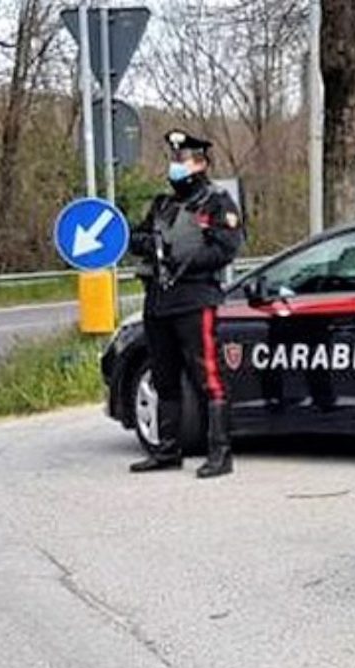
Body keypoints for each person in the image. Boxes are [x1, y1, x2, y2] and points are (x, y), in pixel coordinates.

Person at [127, 129, 244, 478]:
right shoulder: (163, 204)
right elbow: (139, 235)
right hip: (159, 302)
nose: (177, 165)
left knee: (207, 376)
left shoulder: (216, 202)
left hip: (195, 299)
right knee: (164, 378)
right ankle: (167, 450)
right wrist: (146, 244)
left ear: (202, 163)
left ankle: (220, 454)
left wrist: (184, 258)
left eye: (184, 159)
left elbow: (225, 248)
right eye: (174, 158)